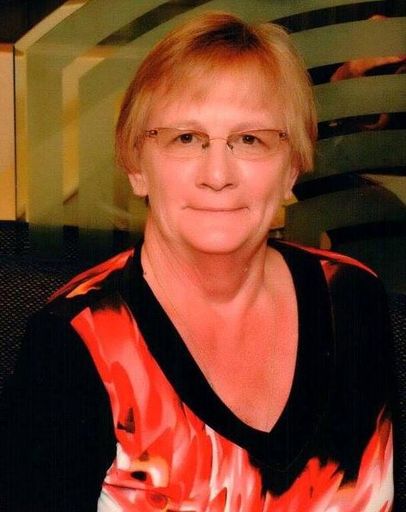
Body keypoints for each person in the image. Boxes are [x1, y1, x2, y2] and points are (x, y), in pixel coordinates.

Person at [0, 11, 395, 512]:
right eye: (185, 138)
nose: (217, 174)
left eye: (250, 139)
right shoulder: (75, 342)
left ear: (292, 168)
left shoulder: (353, 297)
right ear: (136, 166)